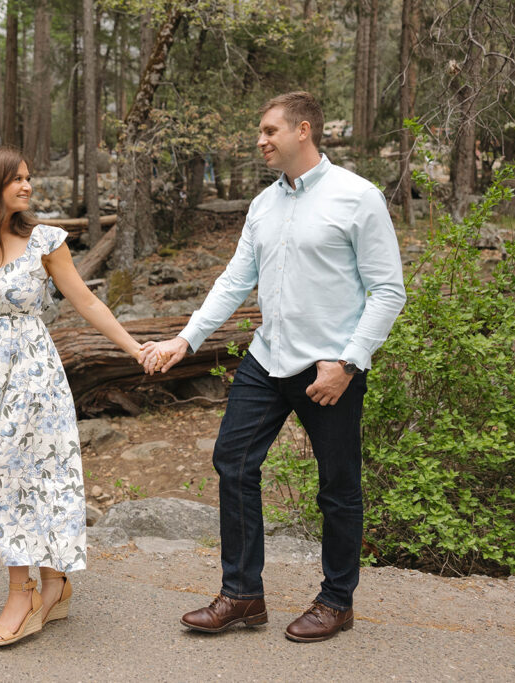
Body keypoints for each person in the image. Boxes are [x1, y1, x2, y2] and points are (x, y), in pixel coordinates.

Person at [141, 92, 406, 642]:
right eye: (260, 132)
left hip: (328, 368)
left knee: (337, 486)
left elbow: (387, 291)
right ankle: (242, 596)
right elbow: (235, 281)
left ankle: (337, 601)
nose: (260, 141)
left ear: (302, 130)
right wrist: (185, 340)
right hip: (266, 358)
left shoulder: (357, 197)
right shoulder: (264, 204)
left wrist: (350, 362)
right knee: (233, 463)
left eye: (268, 131)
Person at [0, 146, 144, 647]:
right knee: (4, 475)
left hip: (36, 376)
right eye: (16, 179)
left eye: (28, 178)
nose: (28, 186)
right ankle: (32, 588)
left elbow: (87, 301)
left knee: (44, 474)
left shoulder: (44, 242)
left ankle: (42, 589)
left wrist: (135, 348)